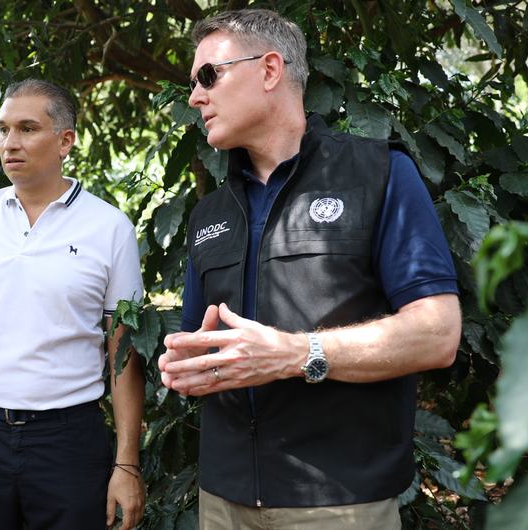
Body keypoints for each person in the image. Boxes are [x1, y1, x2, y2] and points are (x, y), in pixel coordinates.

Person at [158, 9, 462, 529]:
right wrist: (186, 368)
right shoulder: (210, 213)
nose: (194, 97)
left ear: (270, 70)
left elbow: (437, 334)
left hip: (339, 501)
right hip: (222, 500)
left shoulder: (379, 173)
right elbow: (200, 343)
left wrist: (298, 354)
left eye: (209, 75)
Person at [0, 79, 146, 529]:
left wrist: (127, 463)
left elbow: (123, 353)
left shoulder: (109, 228)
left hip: (67, 442)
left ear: (66, 141)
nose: (10, 143)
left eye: (27, 129)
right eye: (3, 130)